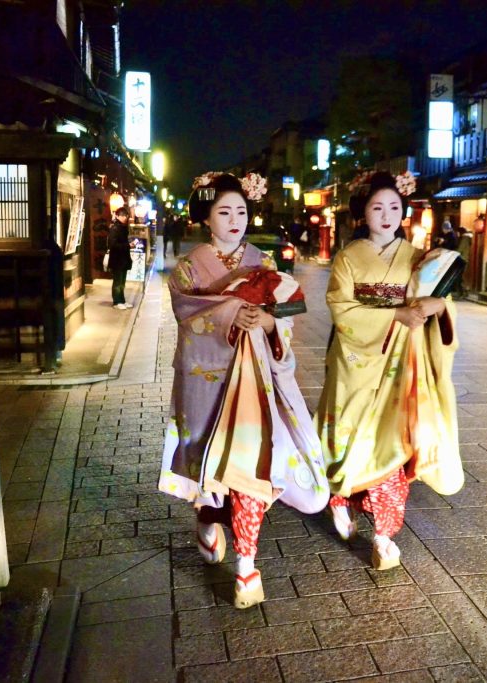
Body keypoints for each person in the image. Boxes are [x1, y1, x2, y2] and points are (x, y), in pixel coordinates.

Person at [157, 172, 328, 609]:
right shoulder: (190, 268)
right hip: (206, 376)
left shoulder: (264, 262)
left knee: (252, 466)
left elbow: (289, 307)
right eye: (224, 212)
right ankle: (208, 517)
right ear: (206, 219)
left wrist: (269, 321)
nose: (235, 220)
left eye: (242, 211)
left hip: (253, 378)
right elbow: (188, 312)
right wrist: (234, 312)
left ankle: (247, 565)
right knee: (207, 463)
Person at [317, 171, 463, 571]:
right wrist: (398, 312)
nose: (386, 215)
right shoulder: (348, 258)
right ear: (363, 213)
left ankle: (383, 535)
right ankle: (340, 498)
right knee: (347, 439)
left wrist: (437, 307)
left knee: (392, 444)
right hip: (355, 363)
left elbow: (439, 301)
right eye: (377, 207)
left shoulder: (418, 257)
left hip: (401, 362)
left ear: (404, 212)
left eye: (394, 208)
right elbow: (341, 309)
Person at [107, 206, 133, 309]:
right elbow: (112, 245)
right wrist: (128, 245)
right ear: (117, 216)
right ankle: (116, 302)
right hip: (117, 260)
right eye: (121, 215)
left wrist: (128, 244)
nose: (124, 217)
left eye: (125, 215)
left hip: (123, 259)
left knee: (122, 282)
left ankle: (122, 300)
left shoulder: (123, 227)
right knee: (117, 282)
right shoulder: (115, 228)